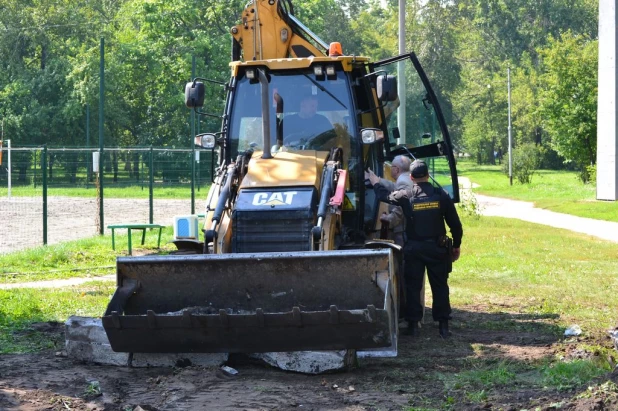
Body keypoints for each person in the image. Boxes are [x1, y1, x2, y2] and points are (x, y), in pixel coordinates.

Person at [374, 159, 463, 339]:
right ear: (428, 175)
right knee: (440, 286)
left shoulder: (406, 195)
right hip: (437, 248)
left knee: (413, 287)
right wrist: (456, 245)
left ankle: (413, 326)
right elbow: (455, 225)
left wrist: (376, 183)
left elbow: (385, 196)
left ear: (412, 177)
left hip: (414, 249)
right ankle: (443, 327)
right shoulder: (442, 195)